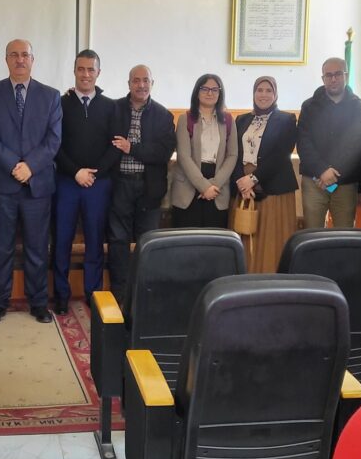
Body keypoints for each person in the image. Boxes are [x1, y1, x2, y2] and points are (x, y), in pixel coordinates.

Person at [0, 39, 62, 325]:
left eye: (25, 54)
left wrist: (30, 167)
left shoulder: (51, 96)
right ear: (6, 60)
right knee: (0, 247)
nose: (20, 59)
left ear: (32, 59)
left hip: (37, 186)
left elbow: (53, 140)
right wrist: (15, 165)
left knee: (37, 248)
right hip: (1, 184)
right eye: (13, 55)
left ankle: (38, 303)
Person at [52, 49, 119, 315]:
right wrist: (75, 172)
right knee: (62, 240)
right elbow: (54, 144)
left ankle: (93, 293)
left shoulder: (111, 107)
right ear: (74, 71)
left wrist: (94, 174)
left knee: (94, 241)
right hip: (66, 183)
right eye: (81, 69)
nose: (86, 74)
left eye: (91, 69)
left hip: (98, 185)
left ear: (98, 72)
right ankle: (61, 295)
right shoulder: (59, 103)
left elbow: (115, 146)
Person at [108, 64, 176, 302]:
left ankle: (144, 295)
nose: (141, 85)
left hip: (149, 188)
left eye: (145, 80)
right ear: (129, 84)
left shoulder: (163, 115)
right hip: (119, 185)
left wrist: (132, 148)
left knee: (148, 243)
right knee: (118, 241)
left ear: (152, 84)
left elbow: (162, 153)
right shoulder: (114, 109)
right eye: (136, 80)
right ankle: (119, 295)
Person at [231, 75, 299, 273]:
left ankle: (270, 278)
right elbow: (234, 153)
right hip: (244, 187)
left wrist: (253, 179)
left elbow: (282, 154)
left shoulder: (287, 119)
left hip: (273, 186)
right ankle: (244, 276)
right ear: (253, 93)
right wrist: (241, 181)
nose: (263, 94)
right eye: (259, 90)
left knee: (270, 238)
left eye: (269, 90)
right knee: (245, 230)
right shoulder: (241, 119)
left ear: (275, 94)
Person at [297, 57, 361, 228]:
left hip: (345, 181)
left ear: (346, 75)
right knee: (313, 233)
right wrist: (322, 170)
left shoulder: (358, 107)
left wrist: (334, 173)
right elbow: (303, 141)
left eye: (338, 74)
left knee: (344, 233)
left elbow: (357, 144)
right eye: (328, 75)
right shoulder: (309, 106)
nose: (333, 79)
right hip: (315, 180)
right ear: (323, 78)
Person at [171, 74, 238, 228]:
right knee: (186, 237)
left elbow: (232, 155)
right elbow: (183, 156)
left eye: (214, 89)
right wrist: (204, 187)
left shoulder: (228, 120)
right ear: (197, 92)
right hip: (189, 184)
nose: (210, 93)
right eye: (205, 89)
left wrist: (213, 185)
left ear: (220, 93)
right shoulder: (185, 118)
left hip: (217, 186)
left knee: (214, 237)